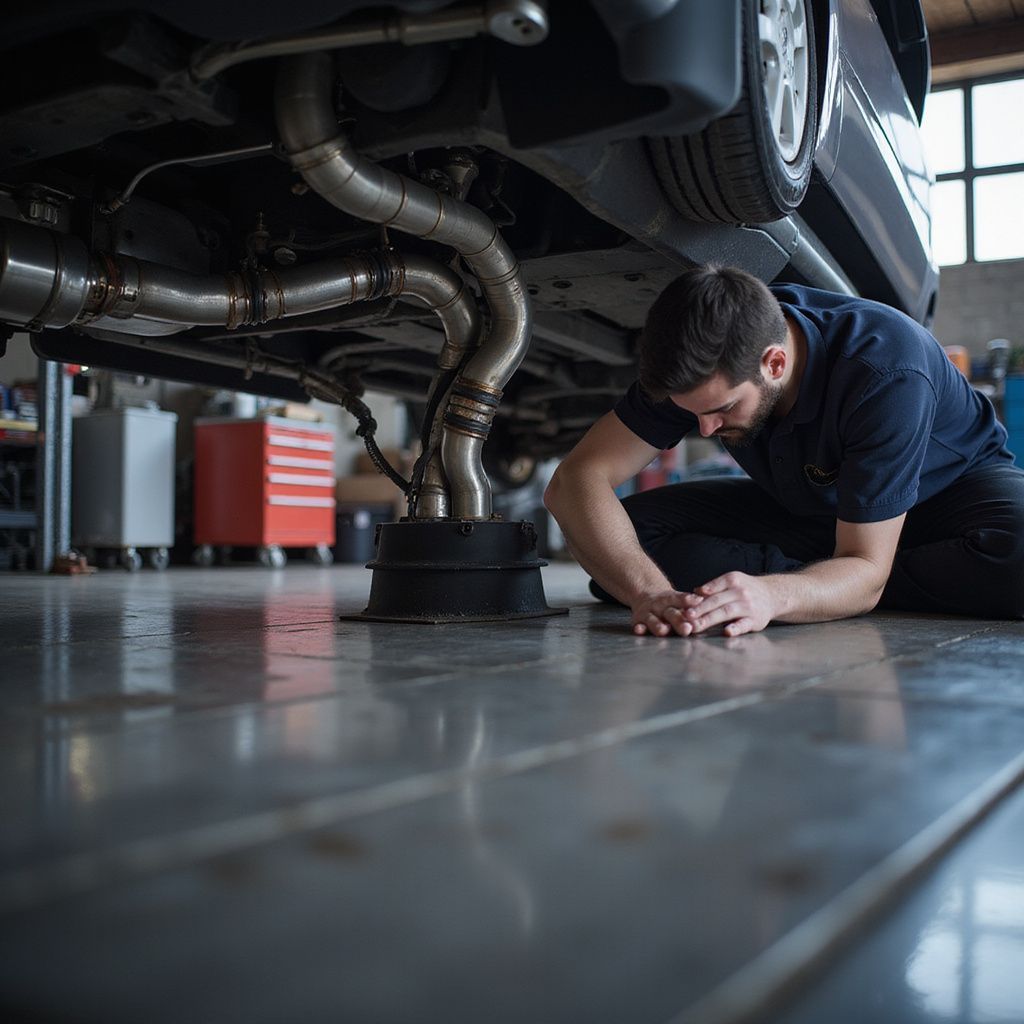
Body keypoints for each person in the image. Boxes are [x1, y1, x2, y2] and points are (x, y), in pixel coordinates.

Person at [543, 265, 1024, 637]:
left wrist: (774, 594)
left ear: (774, 363)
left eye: (723, 410)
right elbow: (574, 482)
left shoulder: (885, 368)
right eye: (693, 414)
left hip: (949, 500)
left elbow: (869, 565)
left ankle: (841, 584)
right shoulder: (703, 359)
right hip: (817, 511)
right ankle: (836, 581)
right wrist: (647, 592)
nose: (705, 429)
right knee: (624, 542)